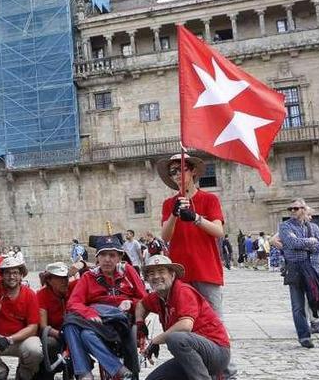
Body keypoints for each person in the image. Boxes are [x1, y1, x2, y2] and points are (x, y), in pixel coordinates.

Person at [135, 255, 231, 380]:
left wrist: (155, 340)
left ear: (172, 275)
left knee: (176, 338)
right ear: (147, 278)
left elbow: (185, 325)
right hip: (193, 355)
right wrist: (140, 323)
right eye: (151, 273)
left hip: (217, 352)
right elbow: (141, 305)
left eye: (161, 272)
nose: (156, 276)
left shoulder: (182, 291)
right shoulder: (158, 297)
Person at [64, 235, 146, 380]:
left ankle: (85, 373)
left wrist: (131, 303)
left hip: (119, 322)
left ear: (119, 257)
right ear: (97, 257)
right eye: (103, 254)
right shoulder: (89, 277)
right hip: (96, 321)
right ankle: (101, 372)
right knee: (72, 324)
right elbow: (73, 303)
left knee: (78, 328)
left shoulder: (128, 271)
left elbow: (144, 298)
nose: (107, 259)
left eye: (112, 255)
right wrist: (88, 313)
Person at [157, 154, 226, 316]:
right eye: (173, 172)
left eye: (181, 169)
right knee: (185, 318)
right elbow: (165, 237)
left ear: (193, 170)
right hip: (180, 272)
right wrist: (174, 214)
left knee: (213, 319)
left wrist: (196, 218)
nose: (177, 175)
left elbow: (218, 231)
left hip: (206, 270)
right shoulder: (169, 204)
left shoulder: (209, 199)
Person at [278, 198, 319, 348]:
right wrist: (311, 242)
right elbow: (292, 243)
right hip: (296, 269)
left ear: (304, 210)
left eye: (296, 208)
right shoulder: (285, 226)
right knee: (298, 305)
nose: (292, 211)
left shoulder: (313, 227)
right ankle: (304, 337)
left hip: (314, 269)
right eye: (290, 209)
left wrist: (306, 243)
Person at [0, 257, 42, 380]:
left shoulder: (30, 295)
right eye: (7, 272)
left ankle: (24, 374)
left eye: (15, 273)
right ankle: (0, 373)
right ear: (1, 275)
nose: (11, 276)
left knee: (35, 350)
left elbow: (33, 327)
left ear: (21, 276)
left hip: (22, 339)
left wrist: (9, 339)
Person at [37, 262, 76, 371]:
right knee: (50, 343)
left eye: (66, 278)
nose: (64, 281)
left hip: (73, 332)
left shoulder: (73, 288)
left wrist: (81, 264)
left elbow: (93, 272)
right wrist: (62, 335)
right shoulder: (42, 295)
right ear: (49, 280)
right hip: (55, 334)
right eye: (59, 278)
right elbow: (43, 326)